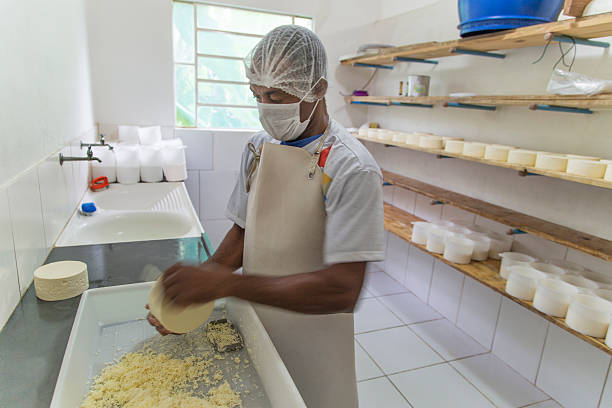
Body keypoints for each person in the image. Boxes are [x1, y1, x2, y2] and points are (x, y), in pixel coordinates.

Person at [148, 25, 384, 408]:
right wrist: (194, 289)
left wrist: (226, 287)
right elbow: (243, 233)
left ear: (318, 89)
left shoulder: (351, 167)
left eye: (276, 94)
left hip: (314, 331)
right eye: (257, 94)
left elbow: (343, 289)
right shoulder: (259, 147)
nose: (265, 107)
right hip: (257, 316)